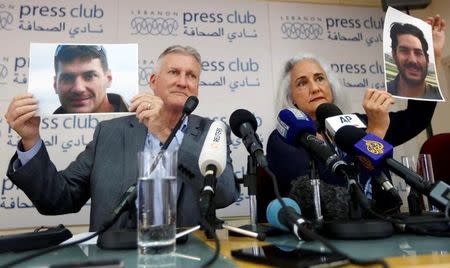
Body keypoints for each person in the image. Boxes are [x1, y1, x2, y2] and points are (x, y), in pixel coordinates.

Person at [4, 45, 239, 231]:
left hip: (189, 255)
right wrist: (31, 140)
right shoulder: (109, 132)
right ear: (153, 81)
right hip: (114, 256)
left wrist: (165, 134)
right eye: (174, 72)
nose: (182, 81)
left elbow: (225, 194)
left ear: (197, 87)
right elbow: (58, 198)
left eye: (191, 76)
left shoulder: (213, 131)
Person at [266, 15, 445, 219]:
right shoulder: (284, 138)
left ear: (330, 87)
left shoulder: (358, 122)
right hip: (327, 240)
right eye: (302, 83)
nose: (315, 88)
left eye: (319, 78)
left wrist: (430, 61)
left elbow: (417, 118)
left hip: (388, 231)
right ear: (292, 98)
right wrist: (375, 133)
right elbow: (329, 203)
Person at [52, 45, 128, 114]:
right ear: (55, 85)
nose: (78, 89)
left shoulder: (138, 123)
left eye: (89, 76)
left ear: (108, 79)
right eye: (67, 78)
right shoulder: (42, 128)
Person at [386, 19, 445, 100]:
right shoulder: (384, 93)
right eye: (404, 51)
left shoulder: (437, 95)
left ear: (427, 59)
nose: (413, 60)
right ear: (394, 55)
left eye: (418, 53)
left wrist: (436, 55)